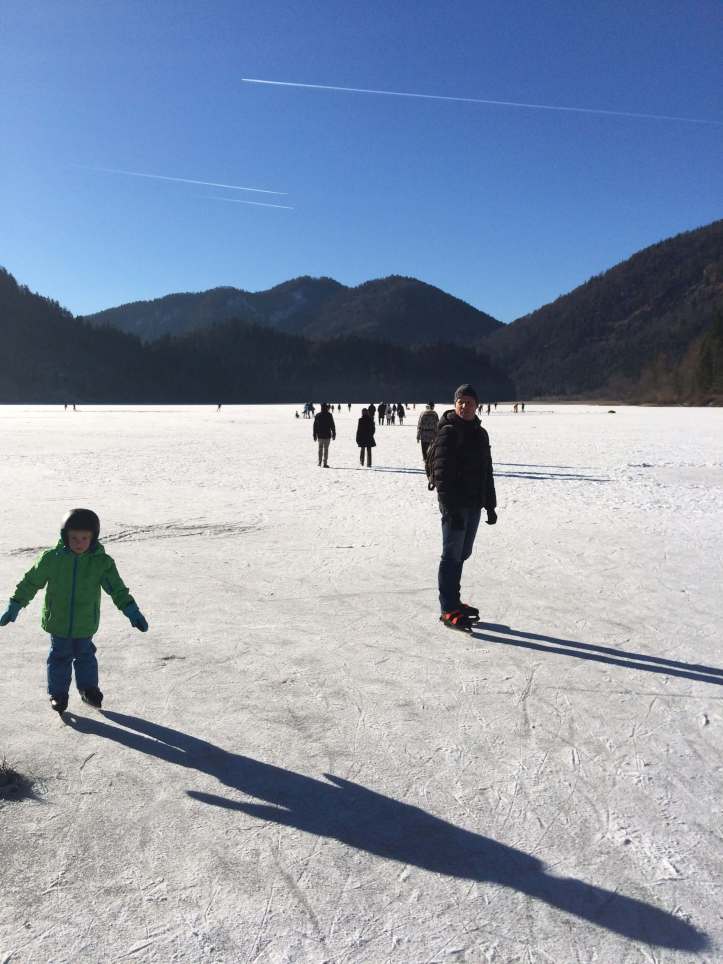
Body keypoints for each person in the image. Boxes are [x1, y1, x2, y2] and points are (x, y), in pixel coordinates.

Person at [0, 509, 148, 715]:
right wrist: (15, 604)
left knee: (85, 655)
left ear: (93, 537)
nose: (79, 542)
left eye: (84, 538)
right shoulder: (52, 559)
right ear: (65, 536)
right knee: (60, 657)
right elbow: (31, 582)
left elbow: (117, 590)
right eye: (74, 538)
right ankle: (58, 694)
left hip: (85, 622)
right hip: (58, 621)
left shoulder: (101, 563)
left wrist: (132, 612)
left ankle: (88, 689)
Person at [430, 385, 497, 632]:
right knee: (451, 556)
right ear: (455, 404)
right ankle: (448, 609)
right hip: (455, 506)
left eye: (469, 402)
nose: (464, 406)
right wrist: (451, 509)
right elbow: (441, 476)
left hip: (474, 504)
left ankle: (454, 601)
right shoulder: (448, 432)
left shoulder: (481, 434)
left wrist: (490, 505)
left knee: (462, 553)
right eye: (460, 402)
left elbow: (486, 472)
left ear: (477, 405)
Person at [313, 402, 336, 467]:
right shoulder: (329, 415)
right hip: (327, 435)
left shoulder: (318, 415)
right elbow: (332, 425)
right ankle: (325, 463)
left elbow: (315, 426)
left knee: (320, 449)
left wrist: (314, 435)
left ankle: (320, 462)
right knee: (326, 449)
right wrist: (334, 434)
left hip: (320, 435)